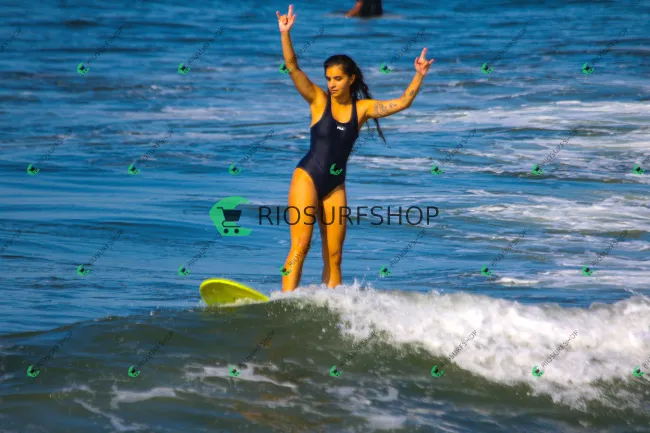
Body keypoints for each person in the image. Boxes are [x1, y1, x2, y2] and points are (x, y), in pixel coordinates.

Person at [276, 5, 434, 292]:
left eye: (337, 79)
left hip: (335, 184)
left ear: (350, 79)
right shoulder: (318, 101)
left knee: (335, 255)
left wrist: (419, 75)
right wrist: (285, 34)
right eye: (328, 78)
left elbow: (402, 102)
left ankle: (331, 305)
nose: (332, 84)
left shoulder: (362, 110)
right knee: (301, 244)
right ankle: (284, 301)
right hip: (307, 177)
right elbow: (293, 67)